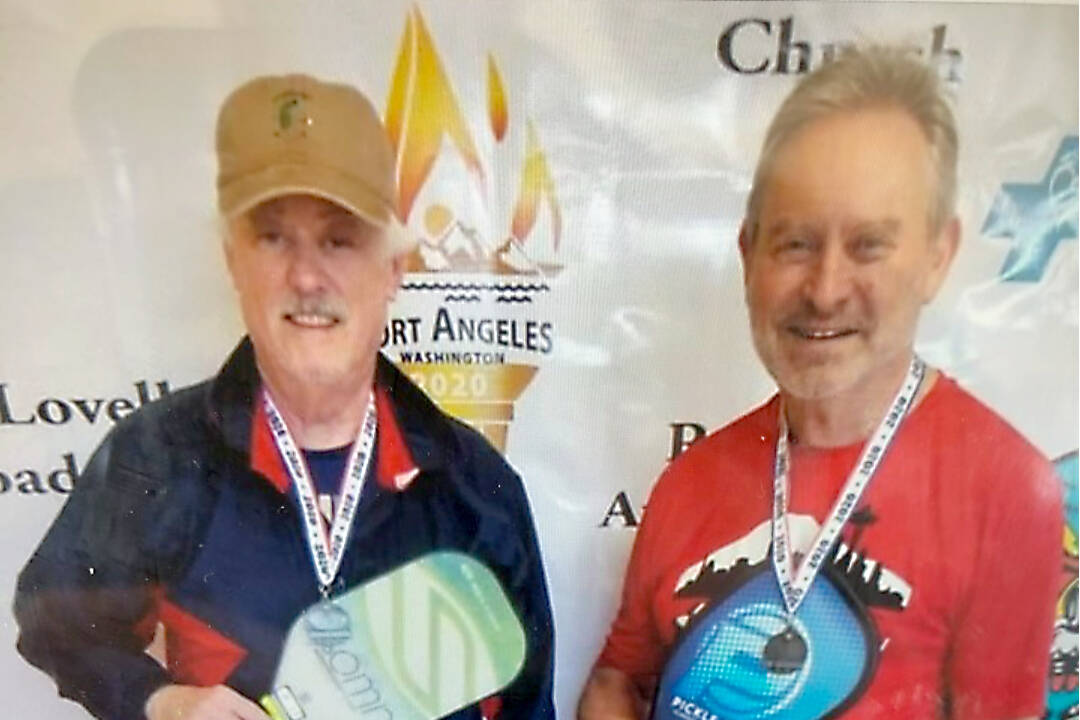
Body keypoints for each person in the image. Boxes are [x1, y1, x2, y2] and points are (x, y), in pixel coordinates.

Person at [15, 74, 555, 720]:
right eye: (273, 237)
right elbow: (57, 620)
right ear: (231, 261)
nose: (305, 275)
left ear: (393, 270)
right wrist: (159, 700)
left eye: (338, 239)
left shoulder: (474, 486)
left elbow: (527, 704)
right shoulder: (156, 455)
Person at [579, 46, 1062, 720]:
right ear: (750, 255)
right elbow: (617, 683)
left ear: (936, 256)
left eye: (868, 245)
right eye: (797, 243)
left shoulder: (1005, 492)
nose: (827, 290)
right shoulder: (691, 479)